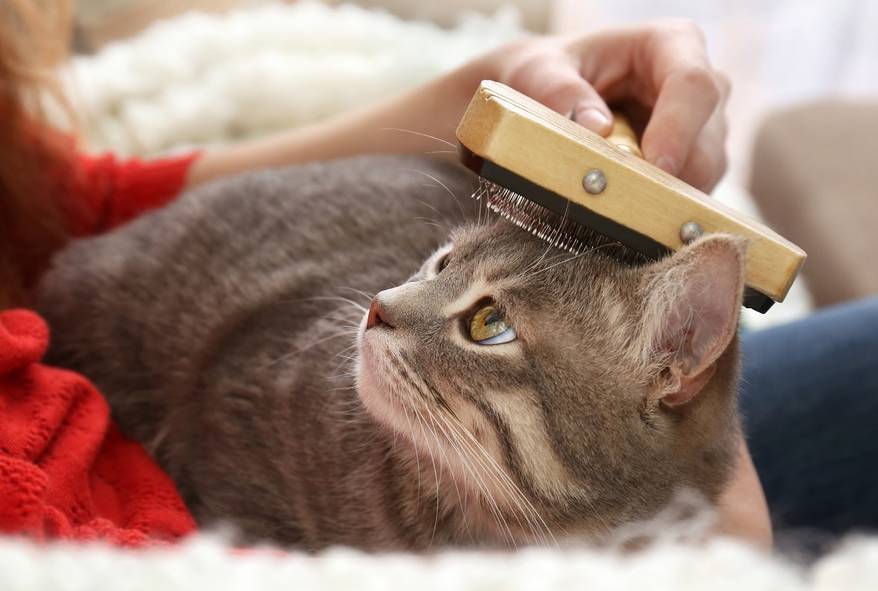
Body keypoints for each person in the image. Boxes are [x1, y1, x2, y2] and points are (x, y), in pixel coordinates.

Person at [1, 1, 764, 546]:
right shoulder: (334, 481)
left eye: (451, 278)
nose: (387, 305)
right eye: (489, 322)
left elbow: (57, 197)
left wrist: (483, 94)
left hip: (580, 457)